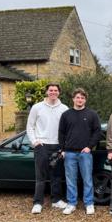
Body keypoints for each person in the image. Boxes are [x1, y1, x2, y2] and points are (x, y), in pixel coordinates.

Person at [26, 83, 68, 214]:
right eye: (51, 90)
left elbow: (67, 130)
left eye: (55, 90)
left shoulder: (64, 108)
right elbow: (30, 126)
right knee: (40, 176)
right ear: (47, 92)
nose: (53, 92)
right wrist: (34, 141)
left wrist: (64, 147)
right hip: (42, 146)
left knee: (56, 175)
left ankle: (56, 200)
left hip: (57, 146)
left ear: (59, 92)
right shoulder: (37, 107)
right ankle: (38, 203)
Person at [58, 88, 101, 215]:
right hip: (69, 153)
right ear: (73, 99)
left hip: (85, 153)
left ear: (85, 100)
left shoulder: (92, 114)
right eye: (77, 97)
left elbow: (97, 132)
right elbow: (61, 133)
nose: (80, 100)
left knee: (87, 179)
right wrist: (62, 149)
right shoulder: (66, 115)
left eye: (82, 98)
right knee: (70, 180)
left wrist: (89, 146)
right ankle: (71, 203)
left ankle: (89, 203)